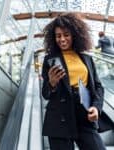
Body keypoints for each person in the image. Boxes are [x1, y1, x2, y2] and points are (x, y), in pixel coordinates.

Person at [41, 12, 107, 150]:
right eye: (58, 36)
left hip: (84, 115)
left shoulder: (86, 59)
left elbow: (98, 87)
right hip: (59, 118)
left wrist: (96, 107)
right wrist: (51, 83)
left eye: (66, 34)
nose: (62, 39)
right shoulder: (50, 59)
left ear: (75, 35)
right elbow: (46, 94)